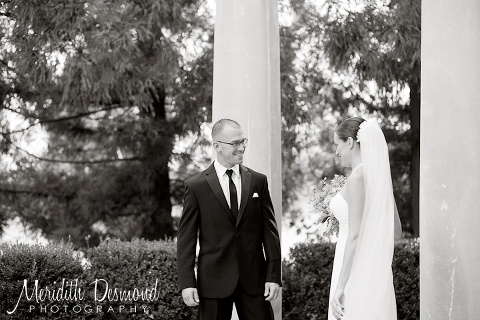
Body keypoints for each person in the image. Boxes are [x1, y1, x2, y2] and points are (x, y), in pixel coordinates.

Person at [177, 119, 281, 320]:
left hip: (254, 281)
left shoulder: (258, 181)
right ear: (217, 146)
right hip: (212, 282)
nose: (241, 148)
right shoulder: (196, 186)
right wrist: (187, 282)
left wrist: (273, 276)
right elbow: (186, 239)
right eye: (235, 143)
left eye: (243, 142)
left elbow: (270, 232)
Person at [328, 117, 402, 320]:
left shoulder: (356, 178)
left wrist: (341, 286)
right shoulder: (378, 178)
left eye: (337, 145)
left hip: (352, 268)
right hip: (371, 268)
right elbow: (396, 231)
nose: (336, 152)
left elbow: (354, 236)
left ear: (350, 142)